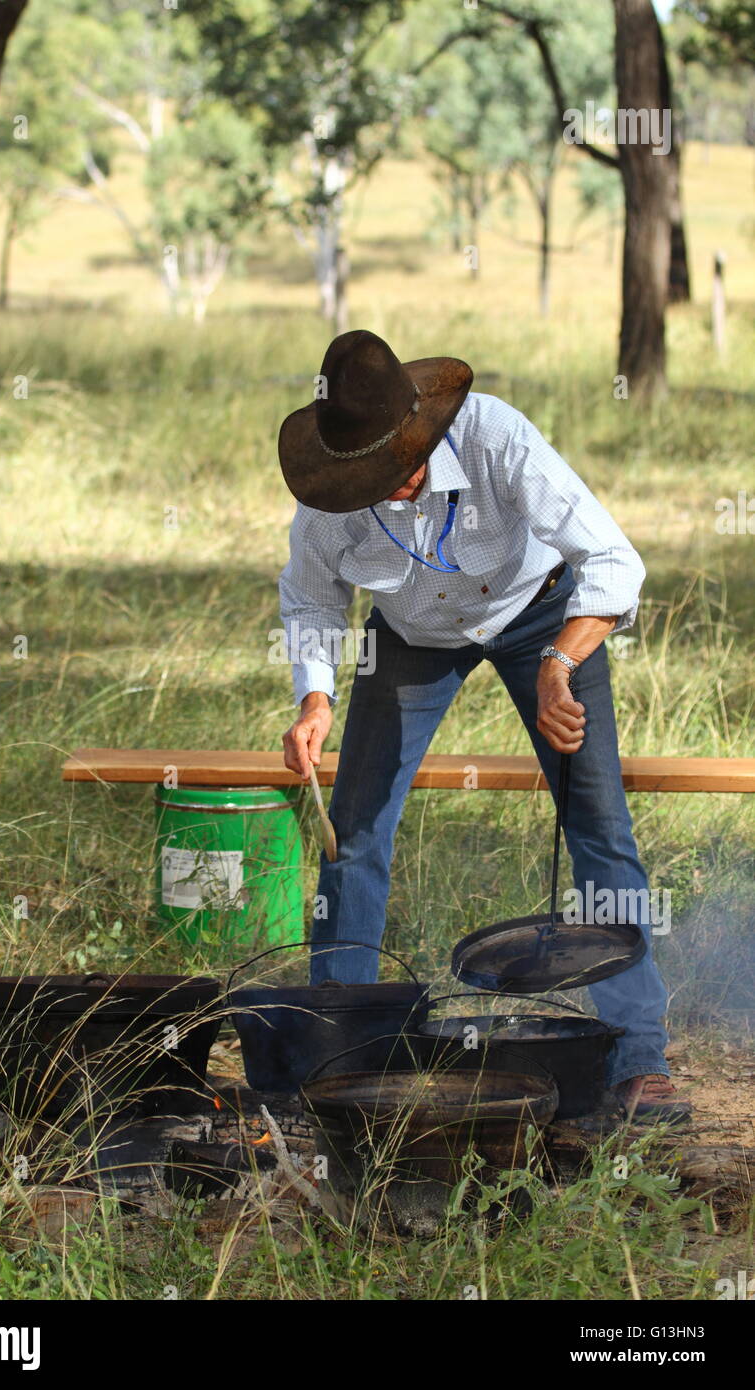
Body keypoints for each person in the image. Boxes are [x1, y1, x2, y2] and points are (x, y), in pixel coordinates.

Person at [277, 329, 689, 1124]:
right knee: (354, 834)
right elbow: (310, 599)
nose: (389, 494)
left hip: (539, 618)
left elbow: (613, 560)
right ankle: (343, 1052)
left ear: (423, 434)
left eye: (397, 474)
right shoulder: (330, 492)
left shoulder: (497, 436)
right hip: (407, 637)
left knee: (599, 827)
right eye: (369, 481)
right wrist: (315, 699)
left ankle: (640, 1055)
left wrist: (562, 663)